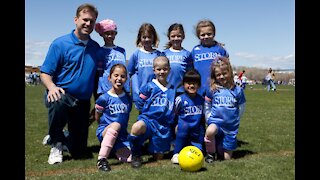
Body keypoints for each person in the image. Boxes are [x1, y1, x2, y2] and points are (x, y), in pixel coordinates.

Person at [40, 3, 100, 165]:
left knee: (79, 151)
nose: (88, 24)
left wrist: (98, 103)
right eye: (85, 19)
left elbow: (95, 79)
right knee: (58, 99)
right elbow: (45, 73)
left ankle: (61, 136)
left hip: (82, 102)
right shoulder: (60, 43)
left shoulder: (96, 48)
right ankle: (56, 144)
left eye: (92, 21)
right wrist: (51, 87)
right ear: (75, 19)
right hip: (61, 96)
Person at [128, 56, 176, 168]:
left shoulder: (172, 88)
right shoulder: (149, 87)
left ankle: (150, 145)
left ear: (169, 69)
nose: (162, 72)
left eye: (165, 69)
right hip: (148, 120)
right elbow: (139, 102)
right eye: (159, 69)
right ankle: (136, 154)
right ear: (154, 70)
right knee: (136, 127)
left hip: (163, 125)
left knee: (158, 157)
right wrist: (145, 113)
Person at [203, 59, 246, 163]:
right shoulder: (213, 89)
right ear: (214, 76)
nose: (221, 77)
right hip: (216, 122)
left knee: (226, 158)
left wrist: (237, 118)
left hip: (230, 126)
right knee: (210, 131)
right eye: (218, 75)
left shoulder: (237, 90)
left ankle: (219, 146)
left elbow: (242, 106)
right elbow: (207, 104)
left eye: (224, 73)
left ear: (230, 73)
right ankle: (210, 154)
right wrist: (208, 117)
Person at [89, 18, 130, 125]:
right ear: (102, 35)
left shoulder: (122, 50)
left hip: (121, 87)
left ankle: (118, 136)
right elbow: (98, 72)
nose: (110, 36)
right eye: (107, 33)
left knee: (119, 113)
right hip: (105, 88)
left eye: (112, 33)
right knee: (101, 113)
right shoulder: (99, 51)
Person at [95, 64, 132, 172]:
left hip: (121, 136)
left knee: (131, 158)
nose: (119, 79)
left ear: (126, 79)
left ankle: (113, 149)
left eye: (122, 76)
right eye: (116, 75)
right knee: (116, 125)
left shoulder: (127, 98)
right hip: (106, 131)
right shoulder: (103, 98)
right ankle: (101, 159)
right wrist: (106, 129)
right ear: (109, 78)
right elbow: (98, 116)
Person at [170, 69, 205, 164]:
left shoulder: (201, 100)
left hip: (196, 130)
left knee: (198, 152)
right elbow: (174, 115)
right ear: (183, 84)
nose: (192, 86)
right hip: (182, 129)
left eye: (195, 83)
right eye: (188, 83)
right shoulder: (180, 99)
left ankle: (198, 147)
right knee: (183, 127)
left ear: (199, 85)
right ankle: (176, 152)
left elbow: (203, 117)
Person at [127, 23, 163, 108]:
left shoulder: (158, 54)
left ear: (154, 37)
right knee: (143, 117)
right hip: (141, 94)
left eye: (149, 37)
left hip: (156, 94)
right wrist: (134, 91)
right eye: (144, 37)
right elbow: (130, 73)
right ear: (140, 38)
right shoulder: (136, 54)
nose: (147, 39)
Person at [191, 19, 229, 97]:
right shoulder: (195, 50)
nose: (206, 37)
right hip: (199, 91)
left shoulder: (220, 50)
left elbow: (227, 70)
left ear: (214, 34)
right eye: (203, 35)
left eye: (209, 34)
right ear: (198, 36)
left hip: (217, 89)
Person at [162, 23, 193, 94]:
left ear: (183, 36)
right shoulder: (164, 54)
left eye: (178, 36)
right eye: (173, 36)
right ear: (169, 37)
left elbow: (190, 74)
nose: (176, 38)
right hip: (166, 89)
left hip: (182, 91)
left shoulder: (187, 54)